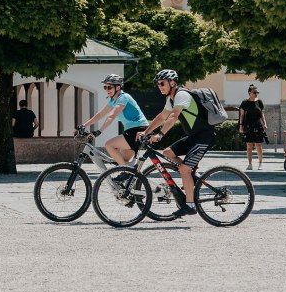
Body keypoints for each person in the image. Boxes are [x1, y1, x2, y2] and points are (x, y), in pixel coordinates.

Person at [139, 69, 213, 219]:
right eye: (158, 84)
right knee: (168, 152)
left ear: (172, 83)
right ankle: (191, 175)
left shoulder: (182, 95)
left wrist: (160, 134)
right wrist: (146, 132)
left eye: (162, 83)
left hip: (204, 137)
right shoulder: (171, 98)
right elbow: (162, 117)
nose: (159, 86)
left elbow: (173, 116)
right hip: (194, 136)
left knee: (184, 169)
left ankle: (190, 205)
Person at [80, 74, 148, 165]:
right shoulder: (113, 101)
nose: (107, 90)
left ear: (118, 87)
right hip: (132, 130)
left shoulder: (123, 97)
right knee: (123, 161)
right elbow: (100, 114)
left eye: (109, 87)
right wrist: (84, 125)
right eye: (105, 87)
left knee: (109, 145)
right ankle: (131, 174)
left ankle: (125, 171)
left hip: (137, 130)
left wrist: (99, 131)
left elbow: (111, 116)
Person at [239, 85, 267, 170]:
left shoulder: (259, 102)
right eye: (254, 92)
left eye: (257, 92)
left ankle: (260, 163)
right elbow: (242, 115)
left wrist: (264, 123)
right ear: (249, 93)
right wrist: (240, 126)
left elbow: (262, 114)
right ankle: (250, 164)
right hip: (248, 125)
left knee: (258, 144)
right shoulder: (245, 102)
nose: (256, 94)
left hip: (258, 125)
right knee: (249, 145)